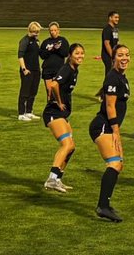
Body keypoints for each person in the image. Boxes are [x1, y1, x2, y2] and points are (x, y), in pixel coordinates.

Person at [89, 43, 131, 222]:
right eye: (120, 55)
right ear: (113, 58)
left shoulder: (121, 77)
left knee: (118, 164)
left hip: (108, 126)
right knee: (114, 163)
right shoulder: (113, 77)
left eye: (127, 55)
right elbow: (110, 106)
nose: (124, 58)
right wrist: (116, 131)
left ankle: (105, 204)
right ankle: (103, 207)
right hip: (103, 126)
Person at [43, 42, 85, 193]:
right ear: (70, 55)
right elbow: (53, 85)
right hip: (53, 113)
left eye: (82, 53)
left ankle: (58, 179)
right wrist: (59, 102)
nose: (80, 56)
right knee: (66, 144)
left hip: (62, 114)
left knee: (71, 147)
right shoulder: (66, 69)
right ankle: (51, 179)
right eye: (77, 53)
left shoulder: (74, 70)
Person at [18, 21, 42, 121]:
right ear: (30, 31)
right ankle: (21, 113)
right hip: (27, 70)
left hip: (36, 70)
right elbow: (20, 56)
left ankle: (29, 111)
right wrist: (24, 69)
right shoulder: (24, 41)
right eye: (34, 32)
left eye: (37, 32)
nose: (36, 34)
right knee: (25, 92)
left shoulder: (37, 41)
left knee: (33, 92)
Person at [40, 22, 70, 95]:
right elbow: (42, 56)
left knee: (58, 92)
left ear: (58, 30)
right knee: (49, 92)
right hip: (47, 70)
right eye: (51, 30)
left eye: (55, 30)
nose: (53, 32)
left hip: (59, 70)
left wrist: (58, 49)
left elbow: (66, 53)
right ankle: (50, 102)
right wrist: (50, 49)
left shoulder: (63, 41)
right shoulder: (46, 42)